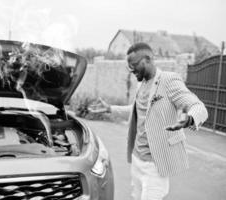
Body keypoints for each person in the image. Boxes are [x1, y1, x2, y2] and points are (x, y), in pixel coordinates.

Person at [89, 42, 208, 200]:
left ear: (147, 59)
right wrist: (110, 108)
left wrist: (190, 118)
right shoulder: (141, 85)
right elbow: (135, 111)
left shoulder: (169, 81)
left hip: (155, 166)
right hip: (137, 161)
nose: (131, 70)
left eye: (133, 65)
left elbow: (197, 106)